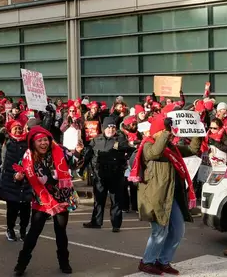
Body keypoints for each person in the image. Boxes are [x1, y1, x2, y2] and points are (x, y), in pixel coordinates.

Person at [129, 114, 202, 275]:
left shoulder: (171, 148)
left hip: (172, 196)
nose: (168, 133)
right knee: (159, 231)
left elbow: (192, 150)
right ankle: (147, 262)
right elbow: (154, 153)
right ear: (157, 132)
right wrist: (166, 132)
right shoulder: (148, 145)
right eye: (163, 130)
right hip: (155, 197)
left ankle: (163, 261)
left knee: (178, 230)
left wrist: (198, 131)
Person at [13, 126, 83, 276]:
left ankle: (64, 262)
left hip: (62, 197)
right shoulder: (27, 157)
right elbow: (19, 173)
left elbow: (74, 163)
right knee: (33, 233)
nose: (43, 143)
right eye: (40, 140)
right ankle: (21, 264)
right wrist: (18, 177)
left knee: (61, 232)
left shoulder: (61, 151)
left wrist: (78, 151)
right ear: (33, 143)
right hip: (42, 199)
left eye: (45, 139)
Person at [82, 117, 132, 232]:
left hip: (116, 174)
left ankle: (116, 224)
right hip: (100, 175)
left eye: (113, 127)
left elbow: (130, 151)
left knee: (116, 200)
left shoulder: (120, 139)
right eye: (108, 127)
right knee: (99, 200)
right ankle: (96, 222)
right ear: (104, 128)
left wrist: (122, 152)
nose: (111, 129)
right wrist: (82, 169)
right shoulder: (96, 140)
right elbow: (88, 155)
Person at [0, 116, 32, 242]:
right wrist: (14, 175)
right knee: (12, 208)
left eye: (20, 128)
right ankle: (10, 229)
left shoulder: (27, 141)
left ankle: (23, 230)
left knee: (25, 209)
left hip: (26, 179)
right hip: (10, 180)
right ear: (10, 131)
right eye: (15, 128)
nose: (18, 130)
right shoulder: (6, 142)